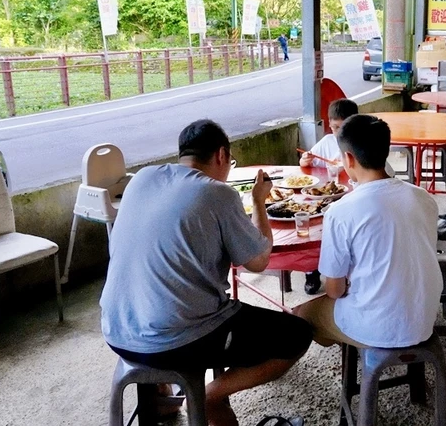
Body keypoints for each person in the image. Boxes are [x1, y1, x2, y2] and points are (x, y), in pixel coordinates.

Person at [100, 119, 312, 426]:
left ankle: (159, 400)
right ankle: (207, 395)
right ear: (222, 155)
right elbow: (258, 260)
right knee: (297, 334)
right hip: (180, 340)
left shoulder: (143, 178)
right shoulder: (217, 193)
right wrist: (258, 202)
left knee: (163, 294)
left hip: (116, 329)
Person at [294, 114, 443, 349]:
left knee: (301, 314)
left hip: (378, 328)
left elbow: (334, 290)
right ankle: (351, 341)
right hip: (424, 320)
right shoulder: (423, 197)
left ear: (349, 159)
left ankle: (352, 344)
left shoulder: (341, 210)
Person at [298, 98, 359, 294]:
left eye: (343, 127)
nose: (337, 133)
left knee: (342, 238)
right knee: (312, 230)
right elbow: (306, 164)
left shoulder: (358, 144)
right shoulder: (326, 142)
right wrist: (305, 160)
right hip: (324, 196)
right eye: (334, 127)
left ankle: (343, 274)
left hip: (350, 196)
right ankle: (311, 271)